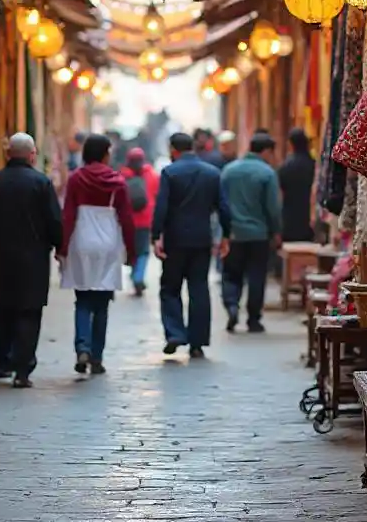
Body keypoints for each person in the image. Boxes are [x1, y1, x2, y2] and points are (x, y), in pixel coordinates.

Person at [0, 132, 63, 388]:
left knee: (3, 309)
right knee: (29, 310)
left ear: (7, 154)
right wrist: (59, 246)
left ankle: (2, 363)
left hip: (3, 257)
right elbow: (54, 220)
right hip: (34, 258)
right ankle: (22, 370)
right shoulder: (41, 183)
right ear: (32, 154)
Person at [61, 133, 136, 375]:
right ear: (105, 154)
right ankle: (97, 357)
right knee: (102, 304)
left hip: (81, 239)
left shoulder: (76, 179)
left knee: (82, 299)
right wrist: (132, 252)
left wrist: (61, 248)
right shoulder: (117, 182)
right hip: (107, 242)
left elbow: (68, 215)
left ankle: (82, 346)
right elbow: (126, 219)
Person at [152, 132, 230, 359]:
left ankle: (175, 333)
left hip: (175, 240)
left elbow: (161, 207)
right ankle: (197, 342)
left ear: (173, 149)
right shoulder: (212, 173)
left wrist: (156, 235)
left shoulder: (170, 172)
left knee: (170, 287)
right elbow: (223, 208)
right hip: (201, 238)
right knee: (199, 288)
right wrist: (226, 235)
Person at [219, 132, 282, 333]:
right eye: (272, 153)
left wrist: (221, 233)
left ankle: (231, 305)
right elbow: (273, 207)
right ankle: (253, 319)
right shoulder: (267, 173)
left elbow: (220, 204)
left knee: (231, 274)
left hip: (233, 234)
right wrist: (276, 231)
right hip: (258, 234)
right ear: (265, 151)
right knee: (256, 275)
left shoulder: (228, 171)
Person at [121, 147, 159, 295]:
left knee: (131, 251)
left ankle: (134, 275)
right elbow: (157, 197)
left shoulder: (122, 177)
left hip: (127, 220)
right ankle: (138, 276)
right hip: (145, 220)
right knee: (143, 250)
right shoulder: (152, 176)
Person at [279, 127, 316, 242]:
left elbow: (280, 192)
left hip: (289, 217)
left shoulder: (286, 165)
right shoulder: (312, 163)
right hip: (308, 216)